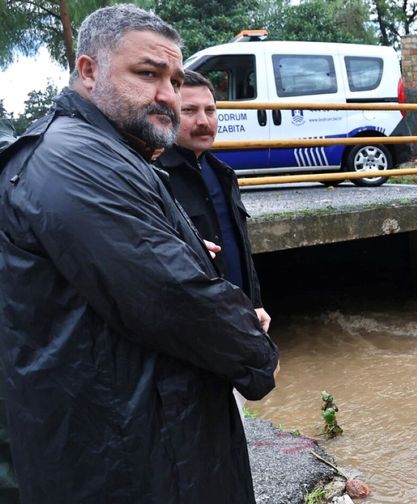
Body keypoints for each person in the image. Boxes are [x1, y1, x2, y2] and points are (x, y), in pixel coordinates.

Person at [0, 5, 279, 504]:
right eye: (148, 74)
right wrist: (255, 354)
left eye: (172, 79)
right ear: (88, 71)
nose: (166, 95)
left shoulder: (110, 152)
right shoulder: (73, 160)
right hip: (123, 457)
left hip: (149, 430)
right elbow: (170, 294)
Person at [155, 69, 271, 414]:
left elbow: (239, 248)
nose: (203, 121)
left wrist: (254, 304)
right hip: (193, 333)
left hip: (234, 320)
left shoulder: (221, 172)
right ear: (169, 112)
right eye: (189, 111)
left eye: (211, 110)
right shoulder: (156, 177)